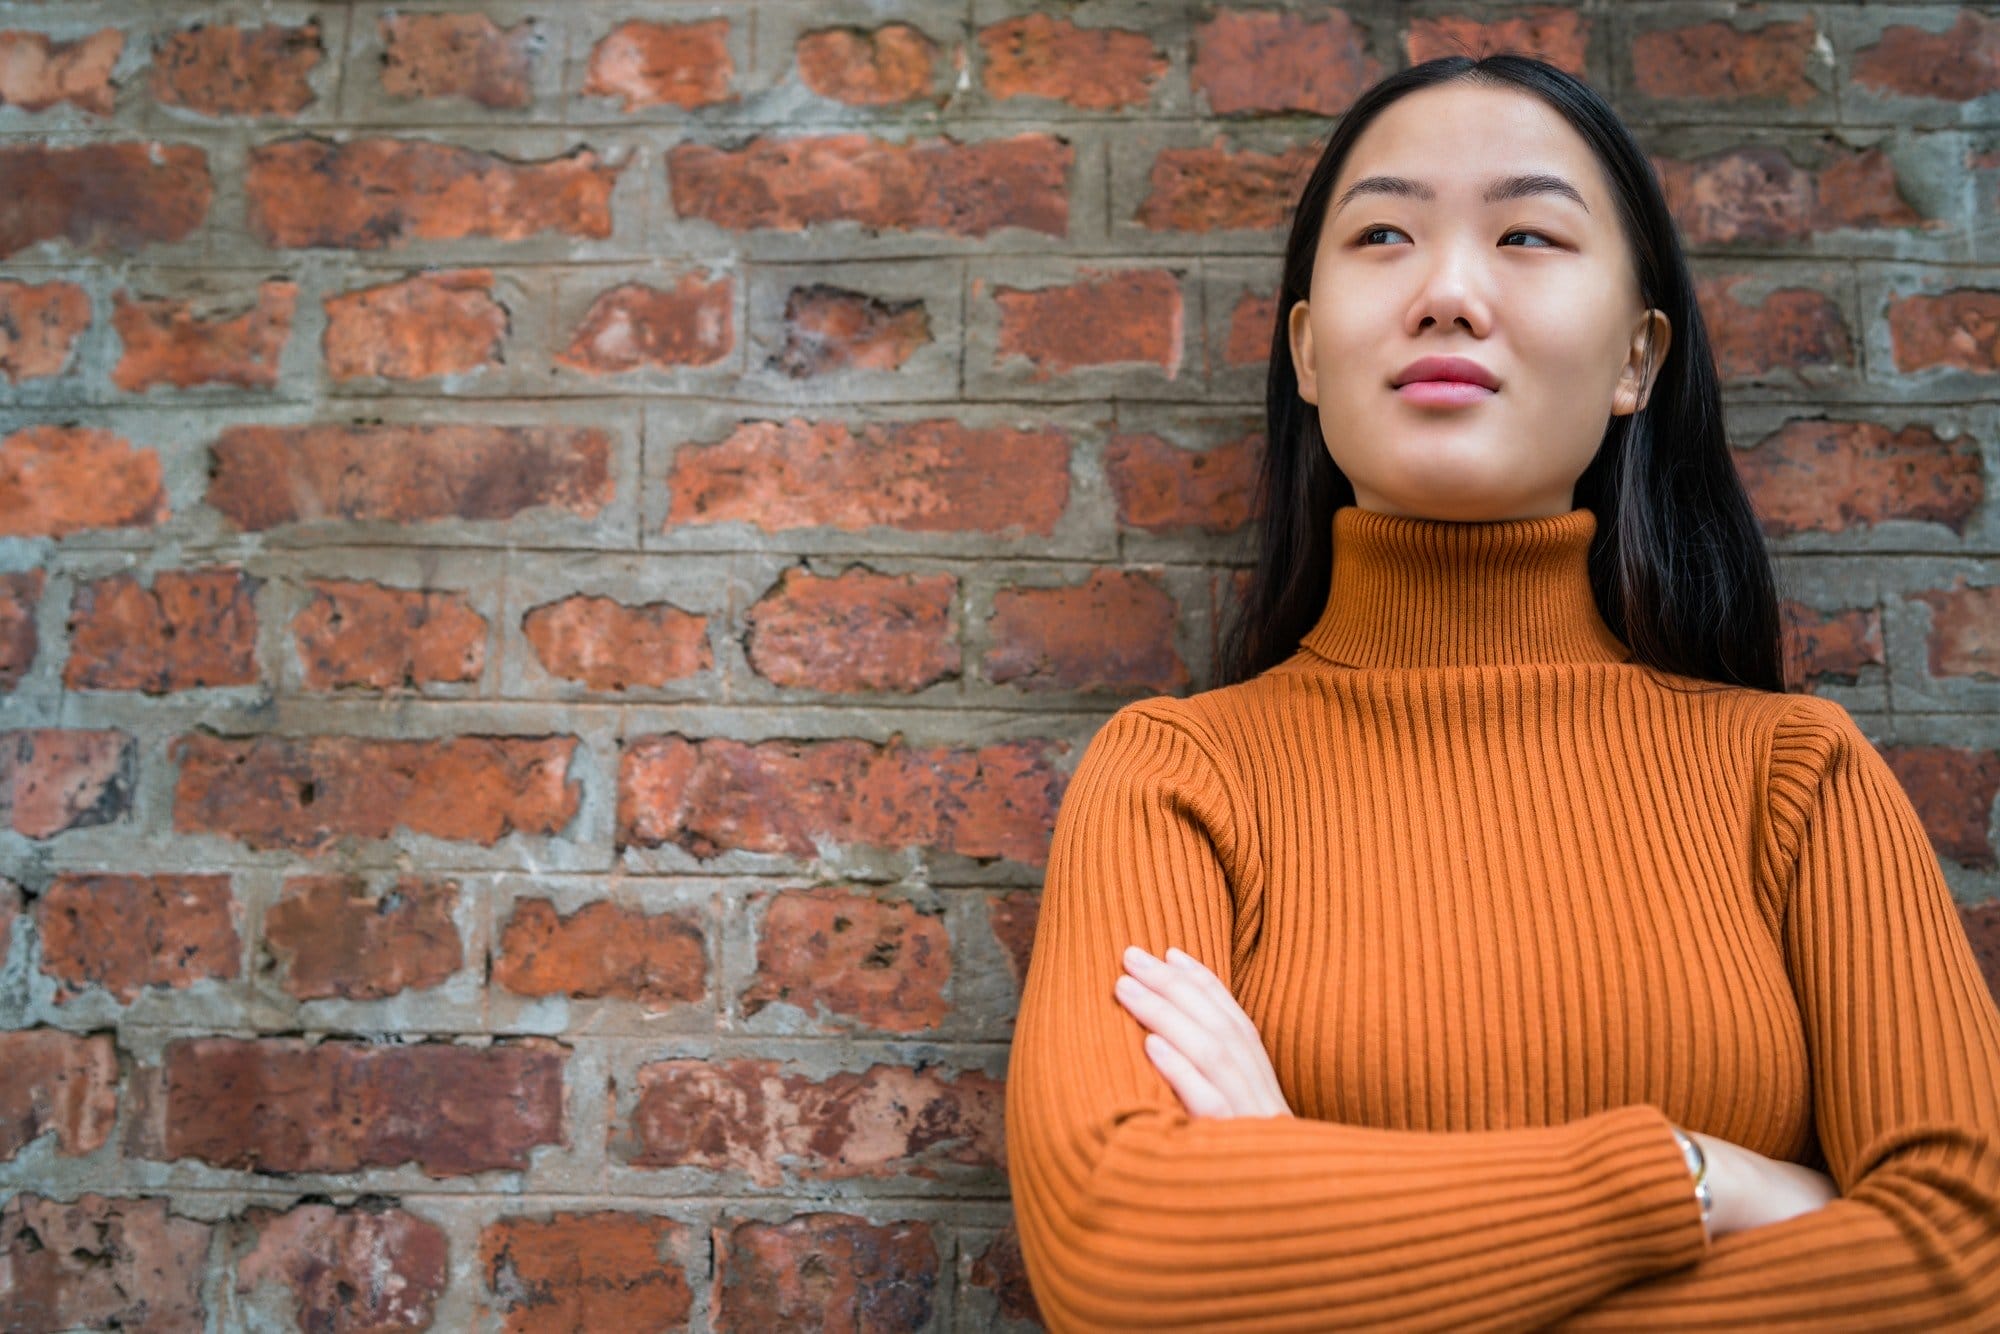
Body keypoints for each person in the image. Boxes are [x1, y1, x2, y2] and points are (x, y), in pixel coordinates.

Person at [1002, 52, 2000, 1332]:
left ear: (1639, 357)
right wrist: (1704, 1179)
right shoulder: (1178, 774)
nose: (1449, 291)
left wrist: (1313, 1217)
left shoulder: (1791, 773)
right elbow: (1120, 1248)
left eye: (1527, 234)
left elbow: (1966, 1259)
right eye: (1382, 235)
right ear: (1307, 351)